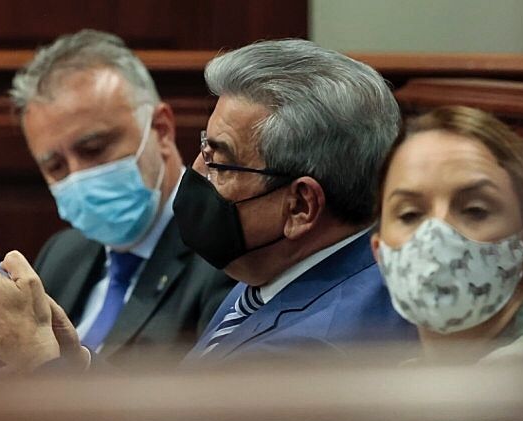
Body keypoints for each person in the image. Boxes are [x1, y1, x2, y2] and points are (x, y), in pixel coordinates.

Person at [0, 30, 233, 372]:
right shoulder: (64, 254)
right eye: (55, 166)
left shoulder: (226, 251)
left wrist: (38, 359)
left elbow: (191, 415)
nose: (79, 176)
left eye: (94, 149)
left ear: (160, 130)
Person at [172, 39, 415, 366]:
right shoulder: (274, 265)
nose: (197, 170)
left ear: (301, 206)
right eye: (205, 150)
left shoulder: (301, 354)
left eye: (219, 162)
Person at [371, 106, 523, 363]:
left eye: (475, 211)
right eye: (410, 214)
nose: (436, 236)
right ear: (379, 252)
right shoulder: (410, 374)